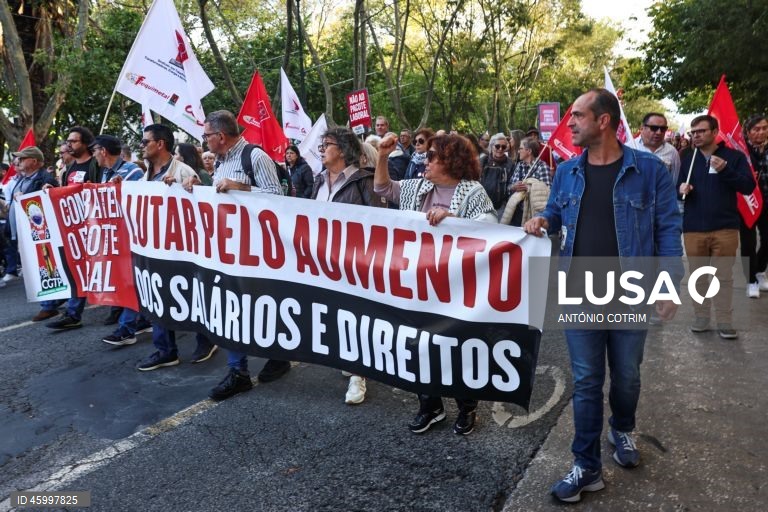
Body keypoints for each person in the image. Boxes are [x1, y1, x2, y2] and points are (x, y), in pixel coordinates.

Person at [524, 88, 683, 503]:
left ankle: (623, 428)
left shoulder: (649, 170)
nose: (570, 123)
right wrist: (543, 218)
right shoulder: (567, 172)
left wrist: (669, 284)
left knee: (627, 376)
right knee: (587, 380)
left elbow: (668, 229)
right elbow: (559, 212)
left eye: (577, 115)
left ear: (604, 121)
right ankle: (586, 466)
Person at [375, 132, 496, 435]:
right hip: (416, 283)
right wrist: (381, 156)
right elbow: (383, 188)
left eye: (431, 156)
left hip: (455, 288)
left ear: (451, 162)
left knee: (455, 346)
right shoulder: (418, 187)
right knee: (418, 344)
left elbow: (491, 225)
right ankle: (430, 405)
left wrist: (454, 219)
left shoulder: (472, 191)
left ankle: (466, 406)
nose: (424, 160)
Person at [183, 110, 287, 400]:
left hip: (258, 249)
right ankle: (238, 371)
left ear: (221, 136)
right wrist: (198, 190)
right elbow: (221, 198)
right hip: (229, 248)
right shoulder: (220, 160)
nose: (204, 141)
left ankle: (278, 356)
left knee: (259, 305)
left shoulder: (255, 157)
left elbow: (276, 199)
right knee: (232, 306)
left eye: (206, 136)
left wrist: (241, 187)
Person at [311, 128, 386, 404]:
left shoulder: (364, 182)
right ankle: (350, 358)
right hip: (324, 262)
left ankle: (359, 376)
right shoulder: (318, 181)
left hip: (355, 264)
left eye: (326, 144)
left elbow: (380, 224)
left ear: (342, 150)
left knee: (356, 317)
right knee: (336, 314)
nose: (321, 149)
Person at [133, 124, 204, 371]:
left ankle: (206, 339)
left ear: (160, 144)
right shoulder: (146, 175)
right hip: (154, 247)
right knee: (157, 297)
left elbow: (201, 201)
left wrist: (187, 185)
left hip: (181, 249)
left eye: (145, 142)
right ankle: (165, 350)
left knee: (189, 296)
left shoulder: (183, 170)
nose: (141, 146)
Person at [678, 115, 755, 338]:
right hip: (693, 228)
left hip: (725, 227)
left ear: (714, 132)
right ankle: (701, 316)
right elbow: (678, 189)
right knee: (698, 276)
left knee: (723, 276)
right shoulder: (687, 159)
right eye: (693, 132)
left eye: (701, 131)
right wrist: (681, 189)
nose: (696, 136)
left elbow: (748, 186)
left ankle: (724, 320)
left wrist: (725, 170)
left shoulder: (733, 157)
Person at [46, 127, 103, 330]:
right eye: (68, 141)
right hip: (74, 228)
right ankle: (73, 314)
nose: (69, 145)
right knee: (76, 268)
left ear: (86, 143)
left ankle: (122, 311)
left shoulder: (96, 164)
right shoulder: (69, 168)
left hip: (95, 226)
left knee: (105, 268)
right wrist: (54, 191)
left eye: (74, 141)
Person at [2, 147, 58, 285]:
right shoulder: (22, 179)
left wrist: (26, 197)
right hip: (25, 234)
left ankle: (51, 300)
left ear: (33, 161)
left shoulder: (46, 178)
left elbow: (48, 202)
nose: (18, 161)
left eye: (22, 158)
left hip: (38, 234)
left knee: (45, 265)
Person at [739, 114, 768, 297]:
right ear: (748, 132)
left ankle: (759, 269)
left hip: (767, 201)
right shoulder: (741, 151)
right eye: (756, 129)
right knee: (748, 243)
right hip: (747, 202)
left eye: (764, 128)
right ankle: (751, 281)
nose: (761, 132)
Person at [500, 136, 552, 226]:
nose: (518, 151)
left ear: (529, 151)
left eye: (520, 148)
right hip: (516, 213)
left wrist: (529, 188)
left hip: (533, 214)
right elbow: (509, 188)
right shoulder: (519, 165)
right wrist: (513, 187)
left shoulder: (542, 167)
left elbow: (547, 191)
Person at [634, 112, 681, 185]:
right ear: (642, 128)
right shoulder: (629, 147)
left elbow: (674, 180)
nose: (659, 132)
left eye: (663, 129)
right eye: (654, 128)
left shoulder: (672, 152)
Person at [479, 132, 516, 216]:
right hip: (481, 205)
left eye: (503, 147)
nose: (500, 149)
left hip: (501, 207)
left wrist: (512, 187)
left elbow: (512, 184)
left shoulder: (510, 164)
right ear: (492, 146)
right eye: (497, 146)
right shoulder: (483, 161)